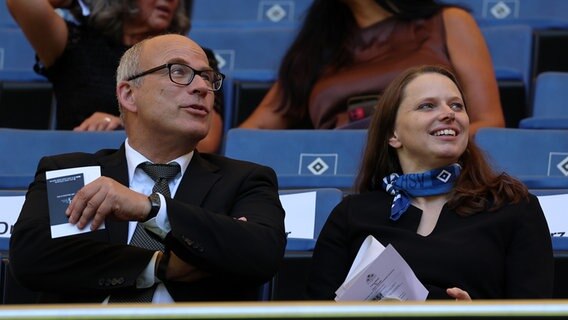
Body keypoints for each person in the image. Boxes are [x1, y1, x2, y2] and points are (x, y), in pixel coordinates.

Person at [9, 34, 287, 303]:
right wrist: (158, 265)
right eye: (179, 72)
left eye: (207, 77)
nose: (202, 87)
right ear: (129, 94)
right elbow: (35, 258)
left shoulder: (245, 180)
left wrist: (151, 208)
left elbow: (260, 253)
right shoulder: (74, 171)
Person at [306, 65, 554, 300]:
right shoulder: (352, 214)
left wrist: (477, 316)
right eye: (427, 106)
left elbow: (534, 311)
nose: (449, 114)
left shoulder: (512, 206)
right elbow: (318, 310)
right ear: (394, 134)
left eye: (457, 105)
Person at [239, 0, 505, 136]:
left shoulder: (448, 22)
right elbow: (253, 133)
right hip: (339, 169)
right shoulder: (316, 47)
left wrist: (422, 144)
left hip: (429, 164)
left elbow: (490, 122)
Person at [6, 0, 223, 153]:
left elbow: (206, 144)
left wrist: (121, 126)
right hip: (78, 167)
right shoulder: (77, 44)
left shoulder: (195, 60)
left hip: (156, 174)